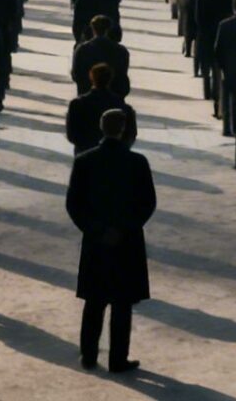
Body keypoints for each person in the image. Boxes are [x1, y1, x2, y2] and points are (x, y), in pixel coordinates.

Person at [67, 107, 157, 374]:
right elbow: (148, 203)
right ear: (123, 129)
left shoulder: (84, 161)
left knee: (94, 300)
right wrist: (125, 228)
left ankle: (89, 354)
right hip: (126, 240)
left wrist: (95, 229)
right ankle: (118, 359)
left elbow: (74, 204)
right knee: (122, 303)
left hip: (96, 240)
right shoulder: (137, 162)